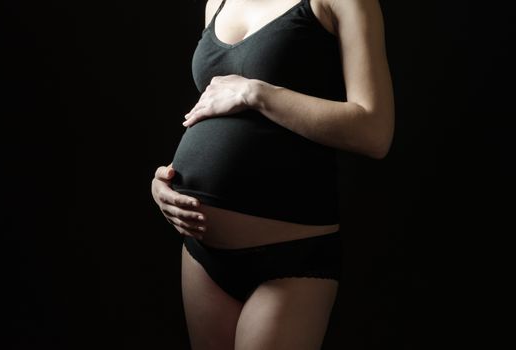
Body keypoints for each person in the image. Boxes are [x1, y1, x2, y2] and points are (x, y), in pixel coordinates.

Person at [151, 0, 394, 348]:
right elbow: (212, 109)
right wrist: (165, 181)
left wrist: (257, 93)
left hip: (290, 256)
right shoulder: (217, 4)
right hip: (201, 253)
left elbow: (375, 130)